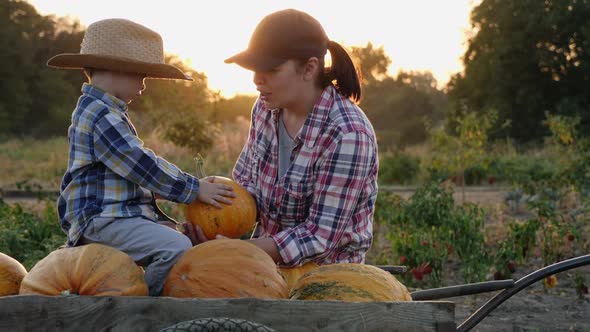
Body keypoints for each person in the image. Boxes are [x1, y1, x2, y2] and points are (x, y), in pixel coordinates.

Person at [48, 18, 235, 296]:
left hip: (113, 215)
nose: (144, 86)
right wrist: (194, 189)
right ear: (117, 70)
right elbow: (140, 164)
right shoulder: (101, 115)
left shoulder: (101, 111)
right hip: (102, 219)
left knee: (179, 239)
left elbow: (123, 174)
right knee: (175, 248)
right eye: (141, 76)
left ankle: (126, 289)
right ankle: (143, 307)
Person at [223, 9, 379, 267]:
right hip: (266, 266)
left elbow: (319, 238)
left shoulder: (348, 134)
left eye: (270, 69)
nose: (256, 80)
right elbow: (247, 186)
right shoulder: (265, 109)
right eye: (253, 68)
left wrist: (238, 250)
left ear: (309, 68)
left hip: (327, 278)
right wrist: (217, 219)